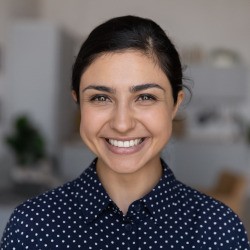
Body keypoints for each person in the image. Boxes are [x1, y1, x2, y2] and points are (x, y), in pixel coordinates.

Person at [1, 15, 249, 249]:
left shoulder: (218, 231)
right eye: (100, 97)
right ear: (78, 102)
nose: (122, 124)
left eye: (145, 97)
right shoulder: (31, 227)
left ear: (175, 104)